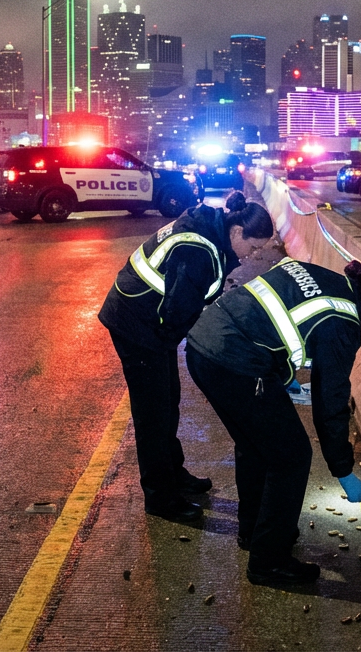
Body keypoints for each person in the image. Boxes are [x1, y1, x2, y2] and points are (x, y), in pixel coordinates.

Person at [185, 257, 361, 584]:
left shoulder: (322, 275)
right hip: (236, 361)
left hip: (204, 345)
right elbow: (331, 401)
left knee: (255, 445)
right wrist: (342, 469)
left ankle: (256, 531)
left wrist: (283, 375)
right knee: (292, 457)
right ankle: (269, 563)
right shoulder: (343, 321)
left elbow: (274, 319)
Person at [98, 191, 275, 523]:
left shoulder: (210, 231)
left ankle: (173, 474)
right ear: (237, 231)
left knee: (169, 401)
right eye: (253, 247)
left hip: (151, 322)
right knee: (153, 414)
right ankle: (160, 497)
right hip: (136, 324)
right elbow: (179, 313)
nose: (252, 256)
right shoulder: (198, 251)